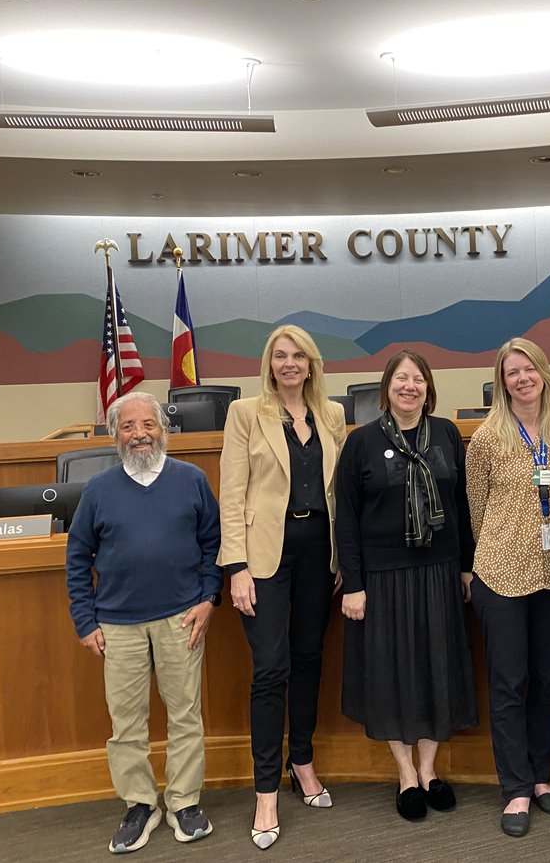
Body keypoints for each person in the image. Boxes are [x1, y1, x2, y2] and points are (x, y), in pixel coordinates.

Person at [66, 391, 221, 854]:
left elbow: (214, 545)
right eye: (128, 427)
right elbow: (77, 559)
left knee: (185, 715)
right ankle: (139, 804)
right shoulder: (98, 490)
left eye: (147, 425)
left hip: (182, 618)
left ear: (164, 431)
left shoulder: (191, 480)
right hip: (117, 625)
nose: (139, 435)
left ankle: (184, 802)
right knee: (126, 723)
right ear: (115, 435)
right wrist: (84, 619)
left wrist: (210, 598)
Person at [218, 325, 347, 850]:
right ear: (269, 364)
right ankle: (265, 790)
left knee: (310, 656)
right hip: (264, 558)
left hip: (320, 553)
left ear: (312, 363)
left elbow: (342, 491)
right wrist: (236, 567)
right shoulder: (245, 414)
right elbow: (231, 493)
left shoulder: (332, 415)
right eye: (280, 356)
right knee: (271, 669)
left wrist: (345, 558)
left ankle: (303, 761)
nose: (289, 364)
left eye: (298, 356)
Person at [336, 349, 477, 822]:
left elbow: (461, 505)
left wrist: (465, 566)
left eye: (417, 379)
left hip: (439, 571)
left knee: (437, 668)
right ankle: (405, 775)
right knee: (393, 673)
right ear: (387, 387)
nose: (409, 386)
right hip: (384, 577)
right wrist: (353, 584)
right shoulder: (361, 443)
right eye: (401, 379)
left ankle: (431, 769)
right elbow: (348, 521)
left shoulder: (447, 435)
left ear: (428, 387)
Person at [465, 338, 550, 838]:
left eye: (530, 368)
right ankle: (514, 787)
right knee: (510, 685)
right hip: (501, 576)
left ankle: (540, 776)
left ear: (545, 373)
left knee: (548, 680)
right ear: (501, 381)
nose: (523, 378)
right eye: (512, 372)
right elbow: (476, 512)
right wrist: (480, 566)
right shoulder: (487, 439)